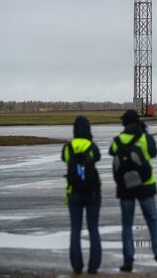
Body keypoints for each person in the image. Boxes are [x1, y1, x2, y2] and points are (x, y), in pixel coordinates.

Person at [109, 110, 157, 272]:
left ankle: (128, 261)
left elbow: (111, 152)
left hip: (125, 188)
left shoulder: (118, 140)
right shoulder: (145, 137)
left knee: (127, 225)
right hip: (146, 186)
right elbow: (154, 153)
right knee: (153, 222)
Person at [61, 115, 102, 275]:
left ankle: (77, 266)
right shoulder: (91, 146)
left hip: (74, 192)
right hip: (92, 191)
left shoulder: (68, 147)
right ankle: (94, 266)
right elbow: (97, 157)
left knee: (75, 230)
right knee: (93, 229)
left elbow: (64, 159)